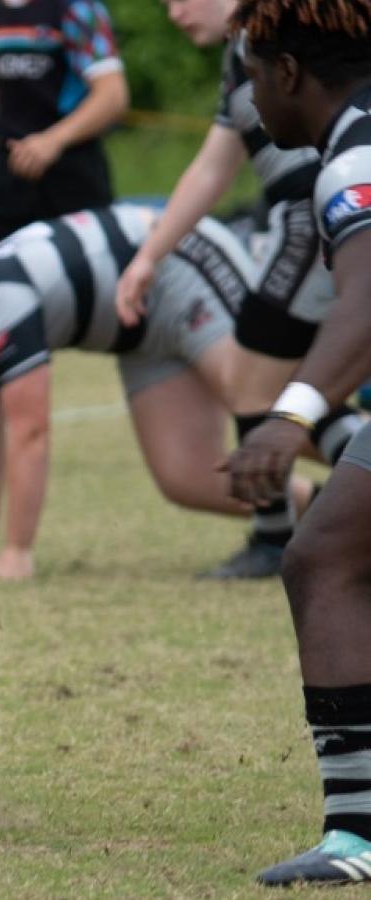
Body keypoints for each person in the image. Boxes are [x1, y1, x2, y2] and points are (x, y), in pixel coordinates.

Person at [0, 205, 310, 580]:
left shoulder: (0, 304)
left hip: (179, 264)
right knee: (186, 478)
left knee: (268, 408)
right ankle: (333, 507)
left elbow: (30, 433)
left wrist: (18, 552)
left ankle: (350, 480)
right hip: (139, 331)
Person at [114, 0, 363, 579]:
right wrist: (149, 255)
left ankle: (276, 536)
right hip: (296, 221)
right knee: (270, 381)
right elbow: (211, 167)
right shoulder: (247, 49)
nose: (173, 13)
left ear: (288, 74)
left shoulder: (284, 43)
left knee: (256, 379)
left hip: (308, 220)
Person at [221, 0, 371, 886]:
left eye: (248, 73)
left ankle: (356, 836)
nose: (246, 96)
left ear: (285, 73)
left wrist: (293, 414)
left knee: (323, 561)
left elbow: (367, 295)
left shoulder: (355, 154)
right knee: (331, 556)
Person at [0, 0, 128, 476]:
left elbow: (111, 95)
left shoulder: (75, 9)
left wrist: (53, 139)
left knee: (119, 303)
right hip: (7, 168)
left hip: (72, 169)